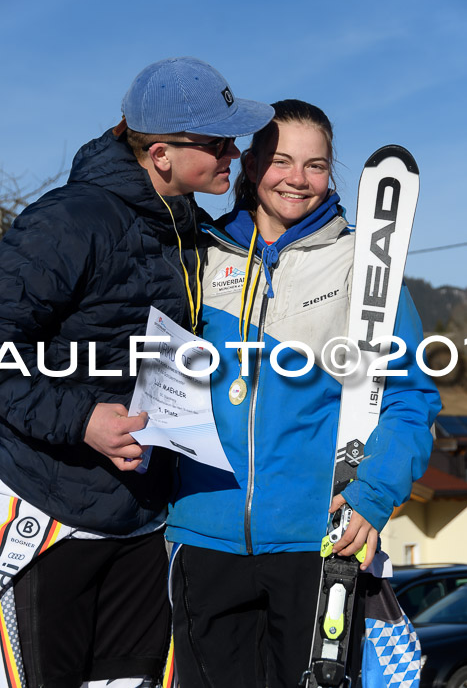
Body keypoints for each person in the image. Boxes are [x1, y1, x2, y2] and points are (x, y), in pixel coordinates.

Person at [0, 57, 274, 688]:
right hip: (50, 515)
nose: (235, 151)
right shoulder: (69, 221)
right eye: (215, 142)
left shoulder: (189, 230)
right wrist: (83, 420)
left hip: (145, 523)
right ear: (159, 154)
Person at [165, 99, 441, 687]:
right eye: (281, 160)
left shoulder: (364, 266)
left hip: (315, 540)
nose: (298, 178)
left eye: (316, 165)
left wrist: (372, 493)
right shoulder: (198, 254)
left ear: (331, 172)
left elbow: (409, 397)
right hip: (201, 531)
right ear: (249, 165)